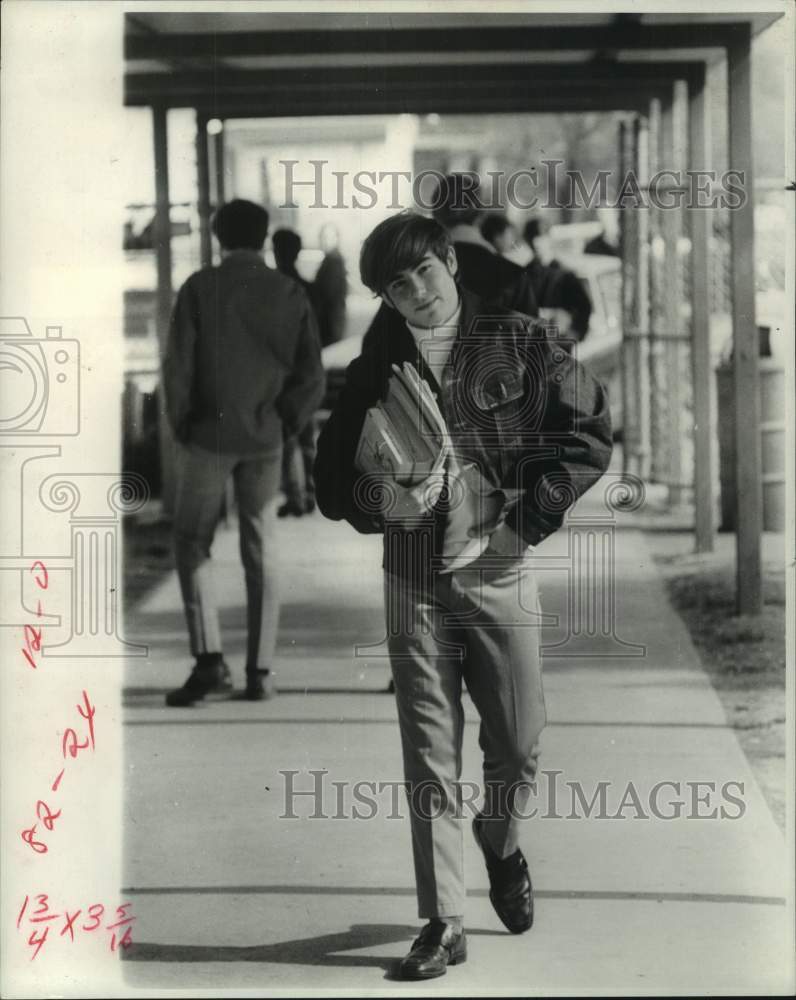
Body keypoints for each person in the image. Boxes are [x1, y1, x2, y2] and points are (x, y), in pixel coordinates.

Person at [314, 212, 612, 980]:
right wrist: (376, 503)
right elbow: (330, 480)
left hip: (499, 569)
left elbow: (587, 434)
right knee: (428, 751)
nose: (414, 294)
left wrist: (525, 525)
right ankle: (442, 920)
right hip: (411, 576)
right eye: (395, 286)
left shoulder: (517, 340)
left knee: (517, 741)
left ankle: (501, 843)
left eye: (423, 274)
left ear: (449, 261)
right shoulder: (374, 362)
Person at [162, 200, 324, 706]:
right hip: (265, 438)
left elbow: (177, 367)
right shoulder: (289, 290)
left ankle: (210, 661)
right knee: (261, 545)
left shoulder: (198, 288)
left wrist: (185, 424)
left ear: (218, 236)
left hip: (207, 437)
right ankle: (261, 670)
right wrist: (283, 423)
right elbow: (310, 374)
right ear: (263, 237)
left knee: (193, 544)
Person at [272, 228, 319, 517]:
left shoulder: (272, 288)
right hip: (307, 371)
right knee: (305, 435)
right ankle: (310, 493)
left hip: (281, 371)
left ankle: (294, 495)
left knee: (287, 436)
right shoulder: (307, 288)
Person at [522, 217, 593, 344]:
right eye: (531, 239)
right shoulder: (524, 275)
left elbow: (584, 308)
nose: (536, 243)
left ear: (549, 239)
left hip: (558, 346)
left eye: (540, 238)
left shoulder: (565, 275)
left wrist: (572, 334)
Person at [312, 222, 348, 347]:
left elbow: (327, 293)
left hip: (330, 322)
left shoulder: (334, 261)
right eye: (323, 237)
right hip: (331, 321)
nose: (325, 241)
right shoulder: (331, 259)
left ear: (337, 239)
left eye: (329, 238)